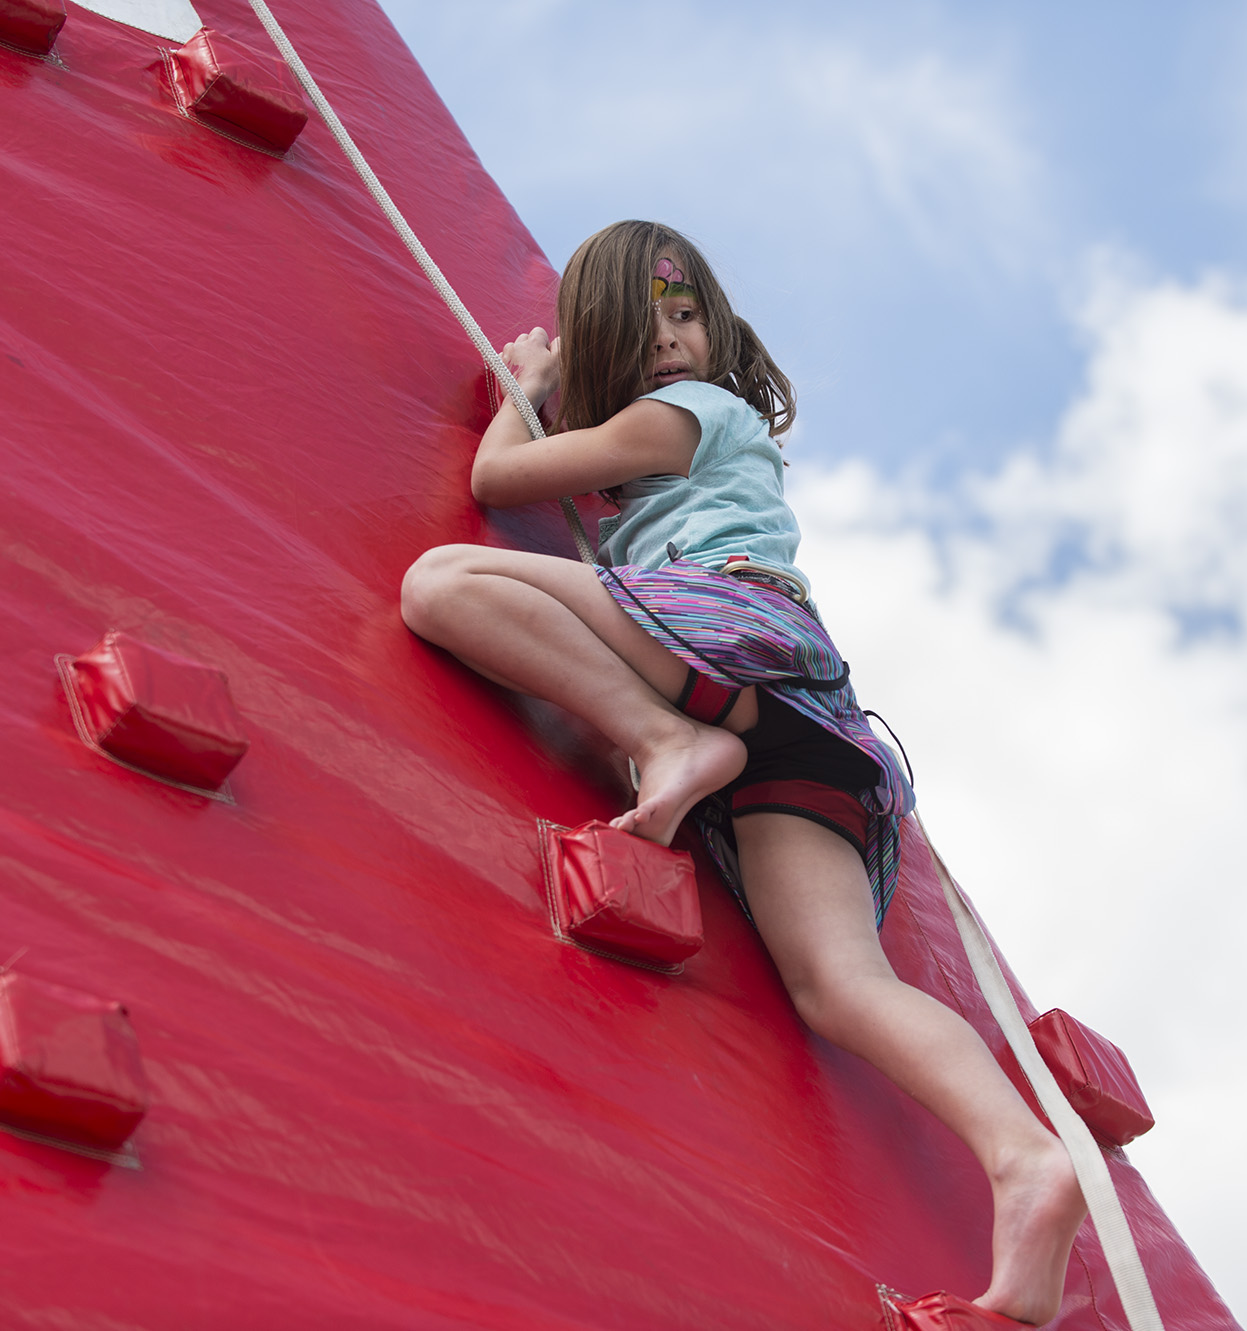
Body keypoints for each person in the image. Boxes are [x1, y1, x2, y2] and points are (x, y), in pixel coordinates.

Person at [400, 221, 1086, 1326]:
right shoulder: (708, 435)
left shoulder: (681, 417)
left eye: (685, 317)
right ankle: (1020, 1155)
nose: (671, 341)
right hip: (805, 717)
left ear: (714, 334)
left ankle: (664, 739)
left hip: (721, 630)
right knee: (837, 985)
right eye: (646, 326)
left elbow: (496, 474)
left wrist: (532, 379)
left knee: (441, 581)